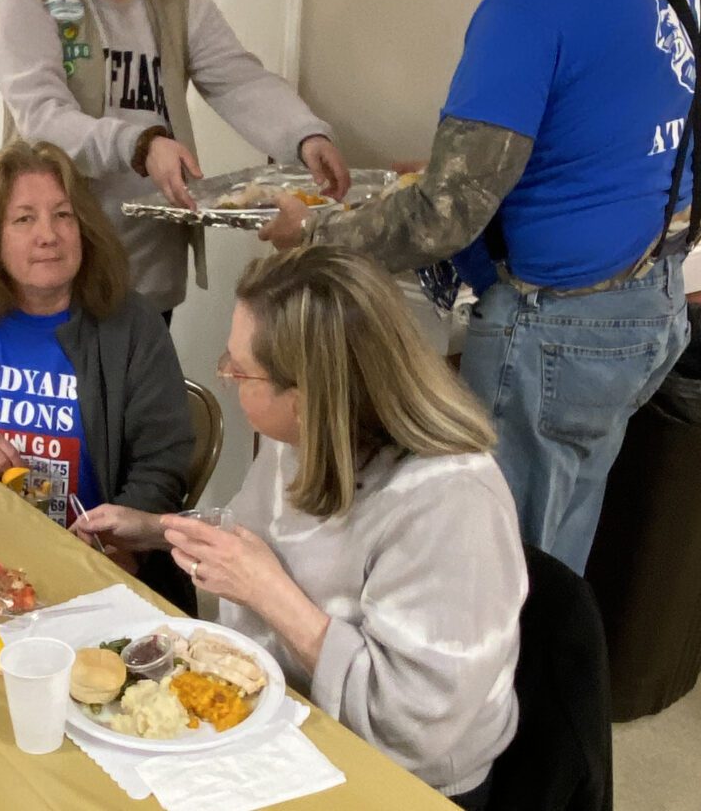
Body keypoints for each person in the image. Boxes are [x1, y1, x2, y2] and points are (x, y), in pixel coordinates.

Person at [259, 0, 692, 575]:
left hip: (554, 331)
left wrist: (316, 232)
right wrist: (469, 170)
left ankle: (504, 694)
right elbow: (616, 131)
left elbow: (443, 216)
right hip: (647, 304)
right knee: (557, 552)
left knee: (497, 579)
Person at [74, 247, 527, 809]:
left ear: (309, 392)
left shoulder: (452, 505)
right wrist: (152, 529)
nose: (228, 378)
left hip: (401, 781)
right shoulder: (305, 442)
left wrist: (269, 593)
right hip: (290, 721)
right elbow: (254, 537)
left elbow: (415, 730)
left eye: (239, 371)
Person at [0, 0, 350, 320]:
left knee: (139, 395)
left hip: (147, 268)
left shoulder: (178, 3)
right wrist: (140, 144)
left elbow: (240, 80)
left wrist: (305, 135)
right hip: (54, 266)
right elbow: (43, 118)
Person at [0, 138, 196, 609]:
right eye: (25, 218)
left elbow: (162, 464)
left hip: (95, 566)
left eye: (63, 215)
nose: (49, 234)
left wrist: (116, 548)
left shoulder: (133, 328)